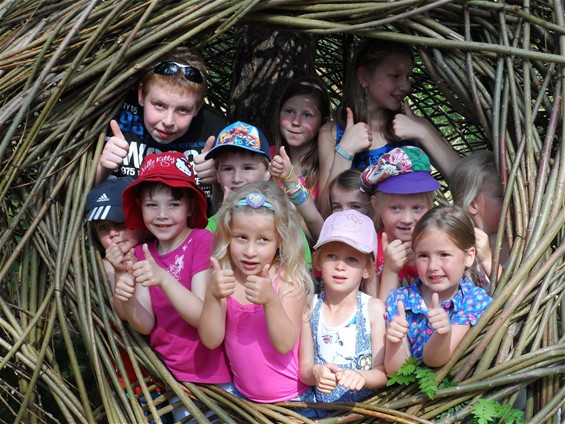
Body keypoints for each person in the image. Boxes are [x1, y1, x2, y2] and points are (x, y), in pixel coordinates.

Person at [113, 152, 231, 389]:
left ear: (190, 207)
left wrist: (164, 280)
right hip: (171, 378)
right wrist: (126, 298)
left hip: (212, 377)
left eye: (174, 204)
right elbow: (145, 324)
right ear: (139, 206)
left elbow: (202, 315)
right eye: (151, 205)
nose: (162, 215)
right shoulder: (141, 253)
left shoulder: (201, 241)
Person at [198, 181, 316, 412]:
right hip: (244, 402)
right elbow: (211, 340)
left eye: (263, 239)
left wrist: (271, 300)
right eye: (241, 237)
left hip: (293, 404)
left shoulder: (288, 280)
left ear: (280, 240)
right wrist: (213, 296)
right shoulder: (223, 276)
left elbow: (284, 344)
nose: (250, 251)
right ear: (227, 235)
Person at [317, 39, 460, 215]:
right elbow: (324, 213)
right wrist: (344, 152)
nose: (405, 86)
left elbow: (466, 183)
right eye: (395, 76)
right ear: (364, 77)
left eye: (407, 77)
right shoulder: (332, 134)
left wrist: (424, 132)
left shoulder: (415, 128)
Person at [85, 177, 172, 424]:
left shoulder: (159, 254)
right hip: (134, 380)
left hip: (172, 375)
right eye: (102, 228)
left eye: (120, 223)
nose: (113, 234)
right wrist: (121, 271)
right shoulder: (107, 266)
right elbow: (122, 312)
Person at [95, 47, 226, 201]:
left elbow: (225, 212)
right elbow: (75, 200)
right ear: (141, 95)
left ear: (198, 107)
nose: (168, 121)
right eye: (159, 105)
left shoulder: (214, 129)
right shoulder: (114, 114)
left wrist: (217, 183)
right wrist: (102, 169)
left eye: (183, 110)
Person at [384, 205, 492, 373]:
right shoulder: (400, 300)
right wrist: (394, 342)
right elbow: (396, 372)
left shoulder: (472, 300)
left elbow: (435, 360)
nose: (433, 266)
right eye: (423, 256)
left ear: (469, 256)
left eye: (444, 255)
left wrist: (443, 334)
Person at [299, 210, 387, 408]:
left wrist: (362, 376)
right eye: (332, 256)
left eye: (352, 259)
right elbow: (304, 369)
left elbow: (382, 372)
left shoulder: (373, 309)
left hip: (365, 415)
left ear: (368, 269)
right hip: (319, 412)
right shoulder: (309, 307)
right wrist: (316, 373)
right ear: (318, 261)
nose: (340, 266)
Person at [205, 121, 312, 268]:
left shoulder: (285, 221)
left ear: (267, 171)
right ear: (217, 174)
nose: (237, 178)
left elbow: (302, 272)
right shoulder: (209, 227)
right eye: (228, 169)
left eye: (248, 168)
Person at [360, 146, 439, 300]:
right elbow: (377, 313)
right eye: (395, 208)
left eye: (417, 208)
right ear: (375, 204)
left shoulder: (439, 246)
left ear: (430, 206)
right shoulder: (368, 251)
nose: (407, 219)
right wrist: (390, 269)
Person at [450, 151, 506, 293]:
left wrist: (488, 261)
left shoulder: (517, 244)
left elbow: (519, 296)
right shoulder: (455, 245)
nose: (509, 202)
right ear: (473, 205)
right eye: (501, 195)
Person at [271, 76, 331, 205]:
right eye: (289, 111)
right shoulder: (264, 157)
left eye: (307, 115)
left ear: (323, 122)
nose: (296, 122)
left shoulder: (326, 166)